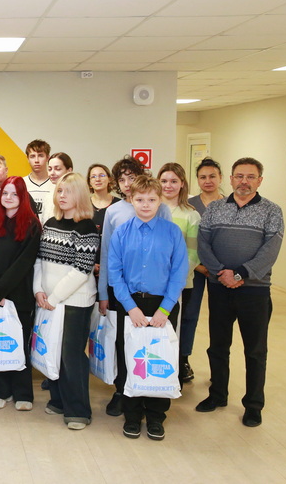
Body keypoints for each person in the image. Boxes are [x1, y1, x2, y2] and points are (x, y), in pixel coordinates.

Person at [195, 157, 284, 428]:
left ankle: (253, 405)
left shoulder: (272, 211)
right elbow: (203, 244)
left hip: (254, 291)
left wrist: (239, 274)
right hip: (219, 288)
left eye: (250, 176)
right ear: (231, 179)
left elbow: (270, 251)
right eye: (240, 176)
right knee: (218, 346)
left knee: (255, 351)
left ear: (260, 180)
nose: (244, 181)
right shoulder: (215, 209)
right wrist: (220, 272)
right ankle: (217, 395)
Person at [108, 175, 187, 441]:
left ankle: (155, 415)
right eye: (140, 199)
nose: (145, 204)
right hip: (130, 304)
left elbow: (179, 273)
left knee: (160, 358)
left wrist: (165, 310)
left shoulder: (172, 232)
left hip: (163, 304)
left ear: (159, 200)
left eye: (151, 199)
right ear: (131, 199)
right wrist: (130, 308)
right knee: (130, 358)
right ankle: (132, 415)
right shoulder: (121, 233)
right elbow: (115, 274)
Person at [98, 156, 172, 417]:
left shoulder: (160, 209)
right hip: (122, 292)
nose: (127, 183)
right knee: (123, 344)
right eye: (122, 179)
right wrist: (103, 292)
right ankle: (122, 391)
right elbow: (107, 254)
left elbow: (169, 254)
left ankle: (150, 394)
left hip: (155, 293)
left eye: (132, 177)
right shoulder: (114, 212)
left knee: (150, 345)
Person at [34, 172, 99, 430]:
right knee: (53, 351)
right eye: (59, 191)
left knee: (71, 356)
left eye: (68, 192)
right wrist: (38, 290)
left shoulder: (86, 228)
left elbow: (81, 270)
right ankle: (59, 401)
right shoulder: (51, 223)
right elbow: (39, 259)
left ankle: (79, 411)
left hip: (75, 302)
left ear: (80, 195)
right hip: (49, 301)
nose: (61, 196)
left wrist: (54, 297)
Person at [0, 176, 41, 411]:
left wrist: (2, 290)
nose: (8, 197)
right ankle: (0, 391)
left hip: (19, 295)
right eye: (5, 193)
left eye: (14, 194)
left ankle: (23, 393)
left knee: (18, 344)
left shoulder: (33, 225)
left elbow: (24, 262)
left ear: (23, 196)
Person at [158, 162, 201, 384]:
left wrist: (174, 280)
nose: (168, 185)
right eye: (164, 181)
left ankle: (175, 370)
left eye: (174, 181)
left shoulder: (191, 215)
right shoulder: (151, 209)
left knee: (176, 328)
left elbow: (193, 254)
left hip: (180, 284)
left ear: (182, 184)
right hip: (153, 284)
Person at [184, 157, 225, 382]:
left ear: (220, 178)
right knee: (189, 314)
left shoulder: (230, 204)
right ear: (197, 180)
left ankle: (218, 368)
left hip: (222, 271)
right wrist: (199, 266)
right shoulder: (189, 204)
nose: (207, 181)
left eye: (212, 176)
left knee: (220, 319)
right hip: (196, 269)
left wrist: (218, 268)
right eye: (202, 177)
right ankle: (184, 359)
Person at [24, 139, 52, 223]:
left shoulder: (57, 184)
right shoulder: (21, 183)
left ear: (48, 158)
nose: (36, 160)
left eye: (40, 156)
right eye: (32, 156)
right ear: (27, 158)